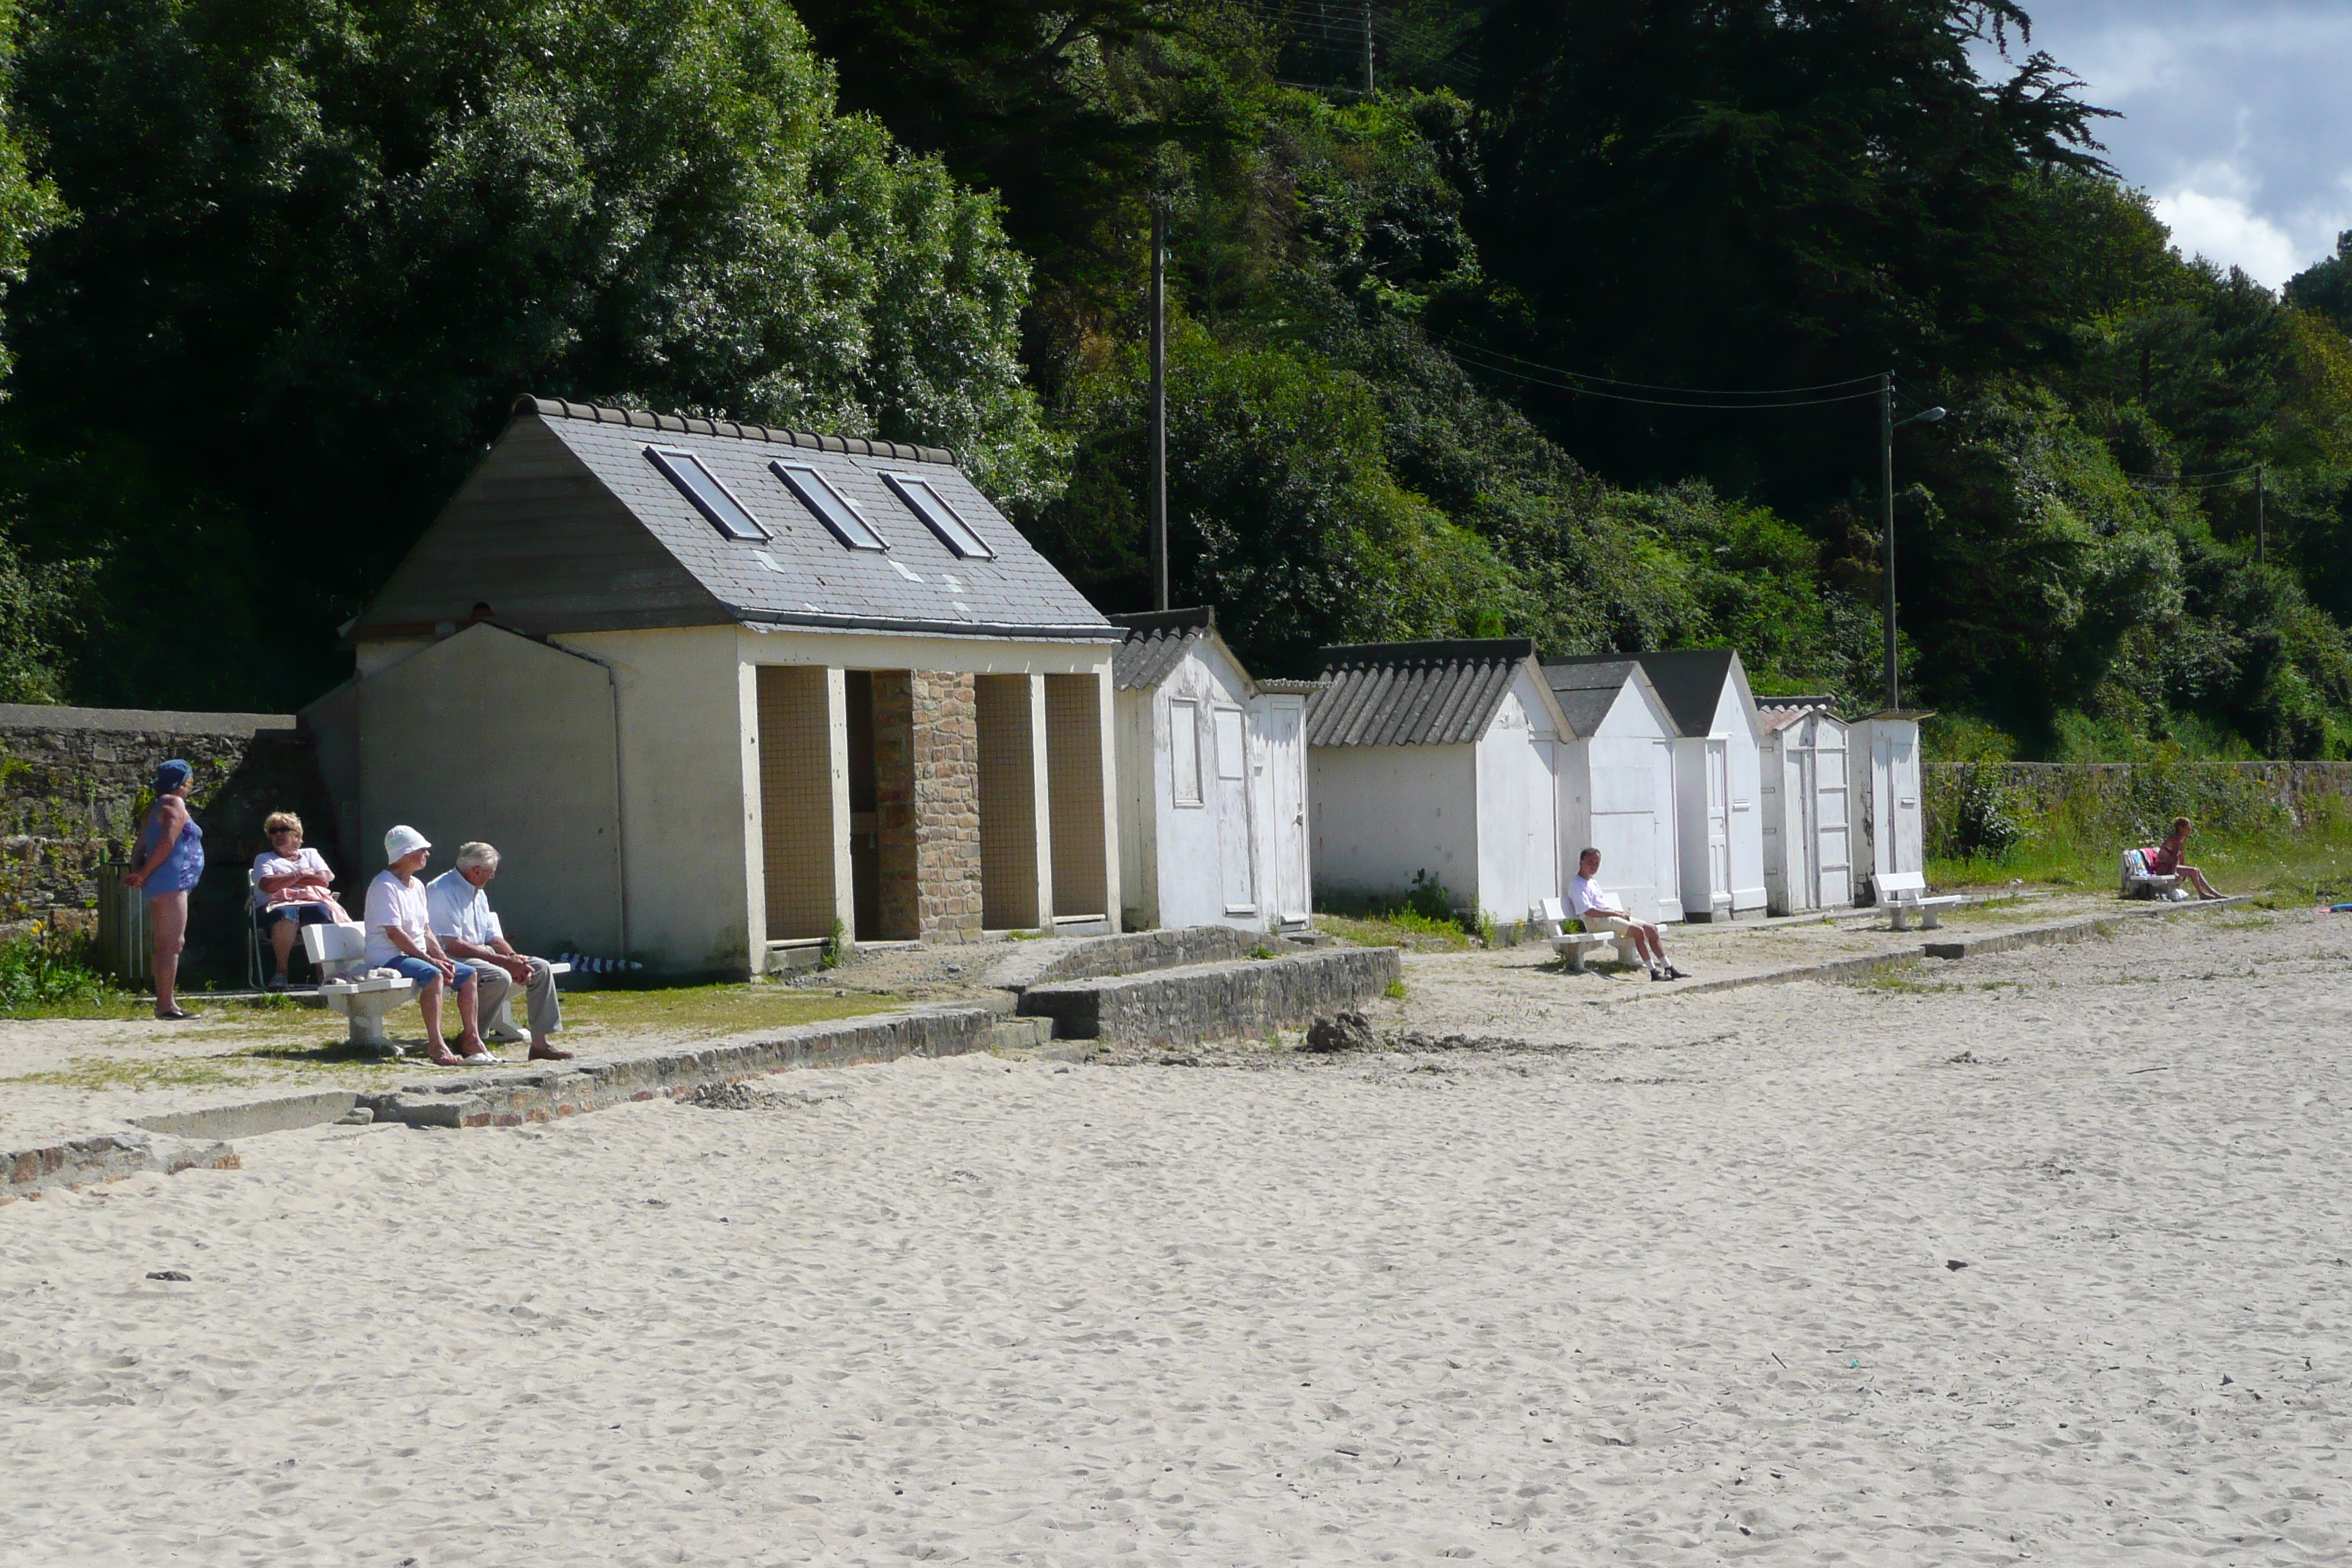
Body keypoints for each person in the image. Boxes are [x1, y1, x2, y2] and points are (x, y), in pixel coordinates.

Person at [426, 842, 573, 1062]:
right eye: (491, 872)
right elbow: (453, 944)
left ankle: (540, 1045)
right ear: (477, 871)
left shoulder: (477, 891)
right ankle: (471, 1038)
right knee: (499, 976)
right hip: (450, 956)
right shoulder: (442, 890)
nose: (493, 876)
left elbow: (492, 937)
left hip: (478, 952)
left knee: (539, 967)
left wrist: (514, 958)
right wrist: (505, 963)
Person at [363, 825, 491, 1066]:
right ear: (406, 852)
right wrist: (429, 960)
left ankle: (472, 1039)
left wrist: (439, 956)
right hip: (387, 957)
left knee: (469, 974)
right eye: (422, 849)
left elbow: (425, 930)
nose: (427, 854)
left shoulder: (417, 886)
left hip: (413, 956)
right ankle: (436, 1044)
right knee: (433, 975)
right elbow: (395, 933)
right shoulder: (384, 886)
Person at [121, 759, 205, 1019]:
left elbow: (139, 848)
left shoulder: (153, 808)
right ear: (184, 783)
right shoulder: (174, 803)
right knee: (172, 944)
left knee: (164, 944)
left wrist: (138, 873)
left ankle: (165, 1003)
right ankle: (166, 1006)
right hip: (172, 880)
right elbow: (166, 844)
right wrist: (143, 874)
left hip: (163, 882)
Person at [251, 812, 353, 990]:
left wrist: (283, 879)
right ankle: (281, 972)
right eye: (274, 831)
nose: (278, 835)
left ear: (296, 835)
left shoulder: (310, 854)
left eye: (284, 830)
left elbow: (323, 879)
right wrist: (300, 874)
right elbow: (267, 884)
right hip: (276, 905)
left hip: (311, 902)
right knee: (286, 913)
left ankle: (324, 973)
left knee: (320, 911)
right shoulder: (264, 858)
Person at [1566, 847, 1686, 981]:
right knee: (1638, 932)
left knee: (1652, 929)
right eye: (1590, 862)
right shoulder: (1577, 885)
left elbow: (1602, 905)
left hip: (1609, 917)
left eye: (1597, 863)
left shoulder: (1593, 883)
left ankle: (1668, 967)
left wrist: (1617, 914)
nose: (1594, 866)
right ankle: (1653, 972)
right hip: (1595, 921)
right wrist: (1614, 914)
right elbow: (1589, 911)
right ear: (1581, 862)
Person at [2145, 816, 2225, 900]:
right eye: (2188, 827)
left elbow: (2181, 856)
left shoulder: (2181, 839)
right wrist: (2174, 872)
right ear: (2181, 828)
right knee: (2193, 871)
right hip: (2164, 868)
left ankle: (2213, 893)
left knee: (2196, 870)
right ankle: (2202, 894)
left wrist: (2184, 869)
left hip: (2169, 866)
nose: (2190, 829)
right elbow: (2174, 858)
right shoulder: (2175, 839)